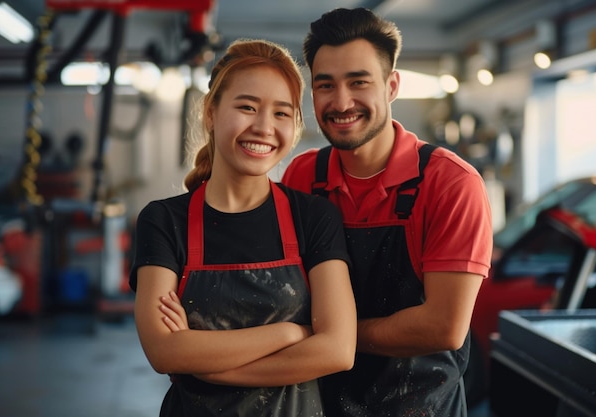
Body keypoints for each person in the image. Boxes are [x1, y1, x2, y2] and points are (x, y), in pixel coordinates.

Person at [281, 8, 493, 417]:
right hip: (317, 406)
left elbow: (444, 327)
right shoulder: (303, 175)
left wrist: (329, 337)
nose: (341, 102)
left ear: (391, 85)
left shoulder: (450, 183)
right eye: (326, 85)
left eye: (358, 82)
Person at [130, 39, 357, 417]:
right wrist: (289, 334)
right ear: (210, 112)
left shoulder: (314, 217)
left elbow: (337, 349)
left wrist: (205, 362)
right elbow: (163, 351)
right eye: (247, 107)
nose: (264, 127)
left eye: (282, 113)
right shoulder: (164, 221)